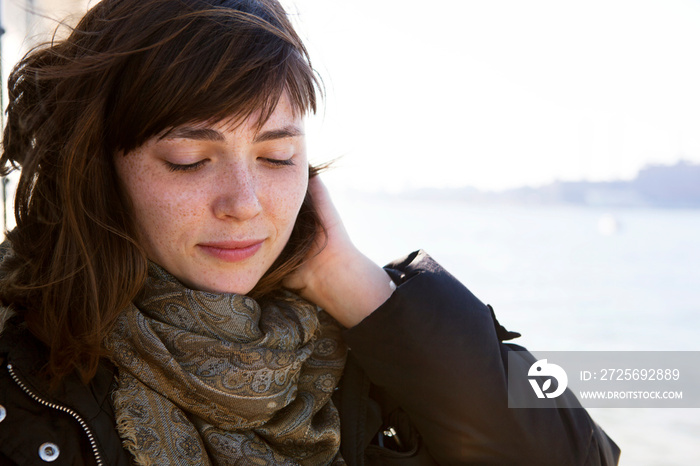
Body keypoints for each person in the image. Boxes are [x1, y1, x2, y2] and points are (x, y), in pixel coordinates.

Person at [0, 0, 620, 464]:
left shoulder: (358, 347)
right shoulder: (19, 372)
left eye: (276, 158)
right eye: (189, 160)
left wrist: (353, 282)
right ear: (98, 168)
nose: (245, 205)